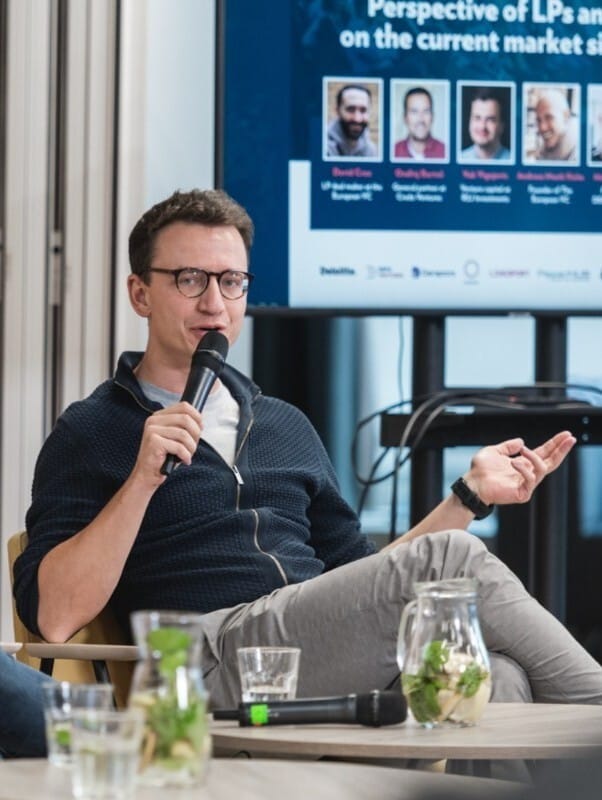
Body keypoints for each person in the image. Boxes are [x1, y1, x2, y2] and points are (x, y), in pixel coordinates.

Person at [6, 189, 602, 760]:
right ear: (141, 293)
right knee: (454, 559)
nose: (214, 303)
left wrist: (468, 498)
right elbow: (53, 616)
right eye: (190, 279)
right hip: (207, 662)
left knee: (500, 678)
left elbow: (367, 580)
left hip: (312, 654)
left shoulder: (282, 423)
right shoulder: (93, 429)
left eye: (231, 281)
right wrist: (141, 479)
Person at [394, 87, 445, 159]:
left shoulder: (445, 152)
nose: (421, 119)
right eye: (414, 111)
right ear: (405, 118)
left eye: (426, 111)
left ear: (432, 116)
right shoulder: (394, 152)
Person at [326, 84, 377, 158]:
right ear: (337, 111)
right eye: (351, 109)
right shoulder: (320, 147)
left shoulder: (371, 151)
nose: (357, 119)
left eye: (363, 110)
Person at [460, 87, 511, 161]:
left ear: (502, 126)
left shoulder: (511, 159)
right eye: (477, 118)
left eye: (490, 119)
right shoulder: (460, 158)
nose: (482, 126)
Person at [533, 89, 578, 162]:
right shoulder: (542, 151)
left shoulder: (580, 155)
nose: (542, 127)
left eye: (549, 117)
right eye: (539, 120)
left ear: (566, 116)